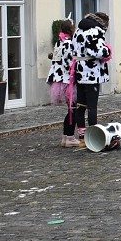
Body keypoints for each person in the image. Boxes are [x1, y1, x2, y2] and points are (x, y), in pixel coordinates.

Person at [71, 12, 111, 145]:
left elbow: (73, 48)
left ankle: (82, 136)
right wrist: (108, 50)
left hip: (79, 71)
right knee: (92, 107)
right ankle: (93, 136)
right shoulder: (96, 31)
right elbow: (98, 52)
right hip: (92, 72)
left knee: (80, 105)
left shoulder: (79, 30)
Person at [48, 18, 78, 147]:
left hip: (60, 79)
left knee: (71, 109)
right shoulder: (69, 43)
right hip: (67, 79)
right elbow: (69, 63)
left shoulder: (59, 42)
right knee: (74, 110)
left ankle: (66, 137)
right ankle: (69, 136)